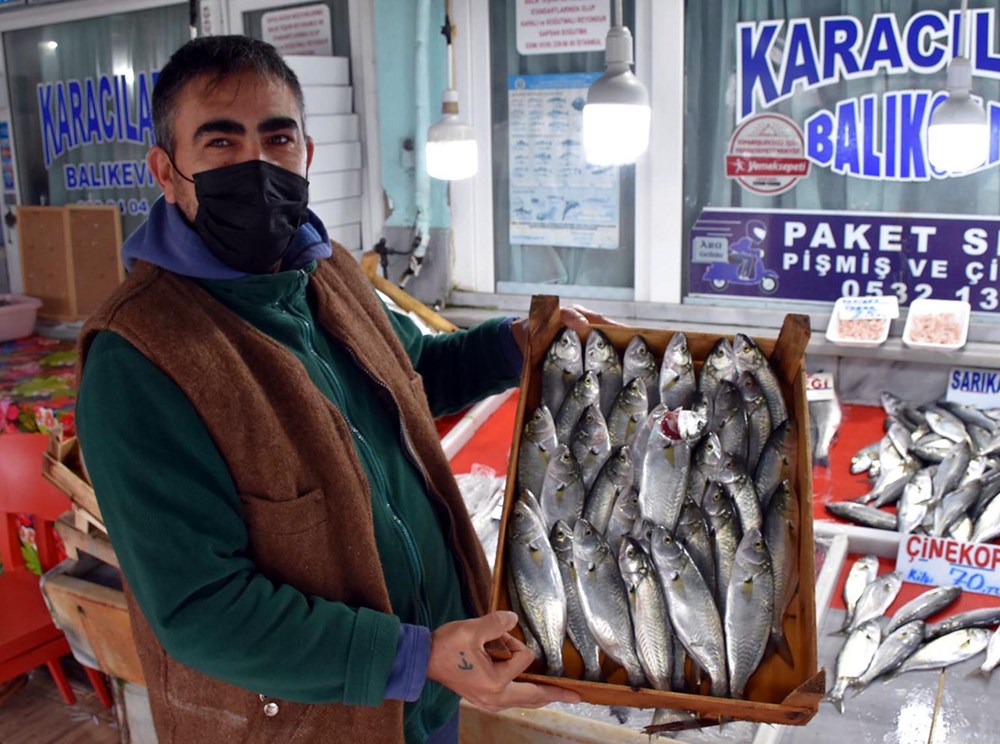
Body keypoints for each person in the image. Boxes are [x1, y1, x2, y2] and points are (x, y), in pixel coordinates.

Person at [75, 35, 594, 744]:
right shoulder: (138, 361)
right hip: (315, 725)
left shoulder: (326, 271)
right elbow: (202, 609)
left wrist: (515, 346)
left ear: (307, 155)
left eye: (277, 137)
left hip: (434, 693)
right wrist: (414, 656)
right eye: (221, 143)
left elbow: (413, 374)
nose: (257, 165)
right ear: (167, 172)